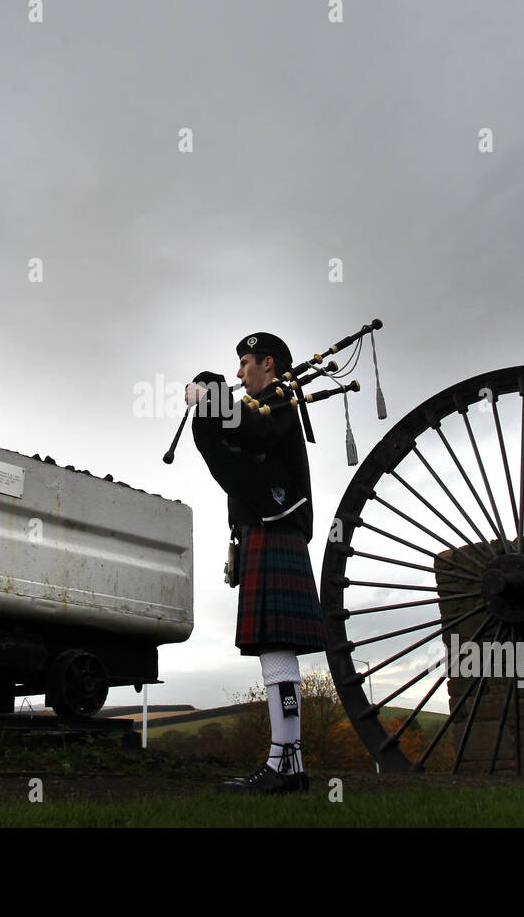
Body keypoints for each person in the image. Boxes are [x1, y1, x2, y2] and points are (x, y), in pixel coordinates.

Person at [185, 332, 327, 794]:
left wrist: (209, 396)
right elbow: (226, 454)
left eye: (246, 362)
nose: (240, 372)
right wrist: (207, 403)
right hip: (260, 528)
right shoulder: (258, 406)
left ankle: (284, 760)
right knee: (273, 644)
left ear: (268, 363)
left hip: (276, 526)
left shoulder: (279, 404)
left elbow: (249, 431)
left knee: (274, 642)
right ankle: (290, 762)